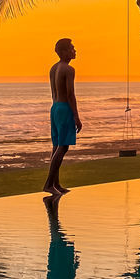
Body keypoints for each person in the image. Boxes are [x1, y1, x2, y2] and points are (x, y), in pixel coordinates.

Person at [45, 37, 82, 196]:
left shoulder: (54, 68)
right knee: (63, 147)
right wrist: (76, 116)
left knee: (56, 146)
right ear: (64, 51)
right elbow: (70, 94)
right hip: (64, 108)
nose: (75, 51)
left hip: (55, 108)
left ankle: (56, 184)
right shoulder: (68, 69)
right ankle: (48, 184)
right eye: (72, 48)